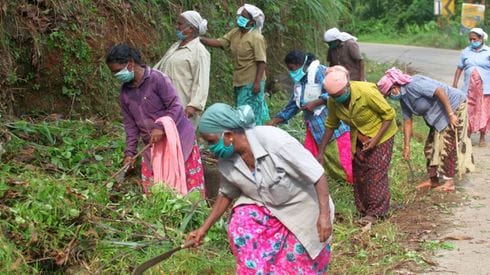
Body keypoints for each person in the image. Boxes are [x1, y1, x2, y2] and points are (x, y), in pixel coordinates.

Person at [187, 103, 334, 274]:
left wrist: (324, 215)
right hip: (268, 209)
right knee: (241, 221)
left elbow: (317, 174)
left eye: (211, 141)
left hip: (303, 209)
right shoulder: (227, 160)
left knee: (298, 265)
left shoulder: (275, 141)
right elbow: (226, 193)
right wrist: (203, 229)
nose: (210, 147)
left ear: (228, 135)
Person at [105, 44, 204, 194]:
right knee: (156, 191)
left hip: (177, 140)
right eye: (114, 73)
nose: (117, 76)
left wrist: (160, 127)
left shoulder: (157, 79)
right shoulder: (125, 92)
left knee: (187, 188)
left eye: (118, 71)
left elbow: (176, 106)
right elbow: (130, 126)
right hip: (151, 145)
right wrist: (129, 154)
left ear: (130, 63)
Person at [318, 65, 397, 225]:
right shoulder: (333, 102)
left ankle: (376, 213)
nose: (337, 98)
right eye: (333, 96)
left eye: (339, 94)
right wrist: (321, 150)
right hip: (359, 136)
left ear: (347, 86)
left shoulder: (366, 92)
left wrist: (374, 140)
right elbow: (331, 124)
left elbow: (389, 114)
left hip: (381, 133)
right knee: (360, 172)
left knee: (375, 171)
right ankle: (364, 210)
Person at [379, 67, 475, 192]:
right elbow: (407, 122)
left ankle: (449, 182)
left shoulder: (414, 84)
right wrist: (406, 146)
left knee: (447, 145)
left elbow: (439, 91)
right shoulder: (404, 99)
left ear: (395, 86)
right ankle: (433, 180)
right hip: (437, 117)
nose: (390, 97)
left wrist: (451, 115)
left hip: (453, 106)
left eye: (388, 94)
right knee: (430, 147)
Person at [268, 50, 353, 183]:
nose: (291, 72)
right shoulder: (300, 82)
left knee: (343, 160)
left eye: (291, 69)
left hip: (333, 125)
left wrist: (316, 102)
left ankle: (352, 183)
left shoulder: (319, 71)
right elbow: (293, 106)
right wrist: (275, 120)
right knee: (313, 162)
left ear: (298, 64)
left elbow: (336, 91)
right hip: (314, 128)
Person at [200, 4, 270, 125]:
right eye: (240, 16)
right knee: (241, 110)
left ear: (252, 21)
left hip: (251, 81)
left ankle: (253, 136)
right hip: (239, 79)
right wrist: (200, 39)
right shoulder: (235, 33)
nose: (239, 19)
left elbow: (261, 61)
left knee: (249, 113)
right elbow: (220, 42)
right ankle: (247, 136)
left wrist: (257, 83)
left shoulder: (256, 37)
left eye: (243, 17)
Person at [154, 10, 210, 127]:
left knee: (181, 140)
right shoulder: (175, 46)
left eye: (180, 24)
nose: (176, 26)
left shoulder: (199, 52)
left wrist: (193, 105)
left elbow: (201, 81)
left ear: (190, 29)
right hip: (165, 102)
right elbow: (161, 66)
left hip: (184, 106)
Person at [452, 27, 490, 147]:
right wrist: (455, 83)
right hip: (469, 88)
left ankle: (482, 137)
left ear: (481, 38)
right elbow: (459, 68)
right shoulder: (465, 52)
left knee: (483, 111)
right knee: (468, 111)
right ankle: (466, 136)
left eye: (474, 39)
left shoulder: (488, 52)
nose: (472, 42)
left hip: (485, 88)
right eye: (470, 39)